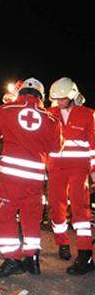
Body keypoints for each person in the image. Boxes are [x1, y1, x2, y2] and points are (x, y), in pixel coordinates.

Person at [0, 78, 63, 277]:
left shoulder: (5, 110)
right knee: (31, 218)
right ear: (41, 95)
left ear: (21, 91)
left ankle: (12, 259)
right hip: (35, 178)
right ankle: (32, 260)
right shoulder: (51, 119)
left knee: (4, 217)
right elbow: (56, 147)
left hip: (11, 177)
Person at [47, 77, 95, 275]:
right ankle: (62, 242)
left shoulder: (88, 115)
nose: (58, 103)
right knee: (56, 209)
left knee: (80, 210)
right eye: (56, 99)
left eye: (62, 99)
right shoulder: (50, 114)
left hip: (78, 170)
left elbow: (94, 146)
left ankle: (85, 255)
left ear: (72, 96)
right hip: (56, 169)